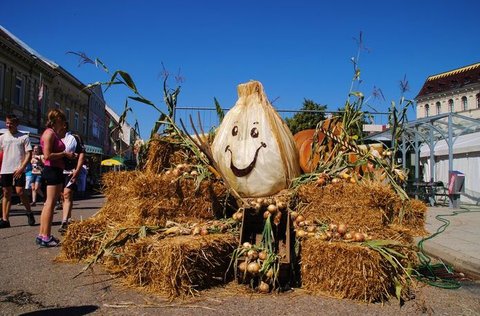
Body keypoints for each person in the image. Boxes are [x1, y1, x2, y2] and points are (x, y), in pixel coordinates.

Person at [37, 109, 75, 247]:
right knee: (50, 203)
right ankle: (45, 236)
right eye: (62, 119)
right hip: (52, 170)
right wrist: (65, 154)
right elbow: (47, 156)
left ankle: (43, 234)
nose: (64, 122)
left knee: (49, 203)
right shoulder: (49, 133)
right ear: (56, 119)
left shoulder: (53, 133)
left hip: (55, 169)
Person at [0, 114, 35, 228]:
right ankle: (5, 219)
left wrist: (22, 167)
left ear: (16, 124)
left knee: (20, 192)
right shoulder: (2, 137)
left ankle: (29, 212)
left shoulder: (23, 137)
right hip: (6, 169)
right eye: (7, 123)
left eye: (11, 123)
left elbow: (29, 154)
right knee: (6, 193)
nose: (8, 125)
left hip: (18, 169)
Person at [58, 123, 85, 234]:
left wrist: (77, 170)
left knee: (67, 194)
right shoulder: (55, 138)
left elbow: (81, 154)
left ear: (64, 125)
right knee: (62, 197)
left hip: (71, 171)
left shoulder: (74, 138)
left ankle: (64, 222)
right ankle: (68, 218)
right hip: (58, 171)